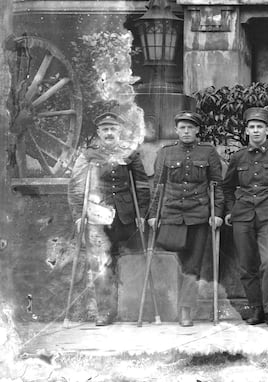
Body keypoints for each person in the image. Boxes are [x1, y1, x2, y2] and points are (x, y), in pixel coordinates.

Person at [218, 107, 268, 327]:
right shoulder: (238, 157)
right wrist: (230, 210)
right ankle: (256, 310)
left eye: (260, 127)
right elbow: (227, 187)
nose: (255, 131)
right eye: (252, 127)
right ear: (246, 130)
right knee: (246, 265)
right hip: (243, 215)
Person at [68, 112, 148, 326]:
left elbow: (141, 185)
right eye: (105, 129)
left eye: (113, 129)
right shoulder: (88, 155)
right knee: (101, 266)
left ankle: (132, 309)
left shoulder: (130, 153)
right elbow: (76, 187)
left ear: (119, 131)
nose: (110, 133)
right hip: (98, 217)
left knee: (131, 261)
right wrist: (78, 216)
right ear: (99, 133)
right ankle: (105, 312)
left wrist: (142, 213)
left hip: (126, 217)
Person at [148, 111, 222, 327]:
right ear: (177, 130)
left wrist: (216, 212)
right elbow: (158, 186)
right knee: (174, 263)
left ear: (197, 130)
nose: (186, 131)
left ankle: (185, 310)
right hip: (171, 214)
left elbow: (217, 185)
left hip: (198, 216)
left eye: (190, 127)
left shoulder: (208, 152)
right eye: (182, 127)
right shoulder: (166, 153)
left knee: (193, 265)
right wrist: (153, 214)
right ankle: (169, 306)